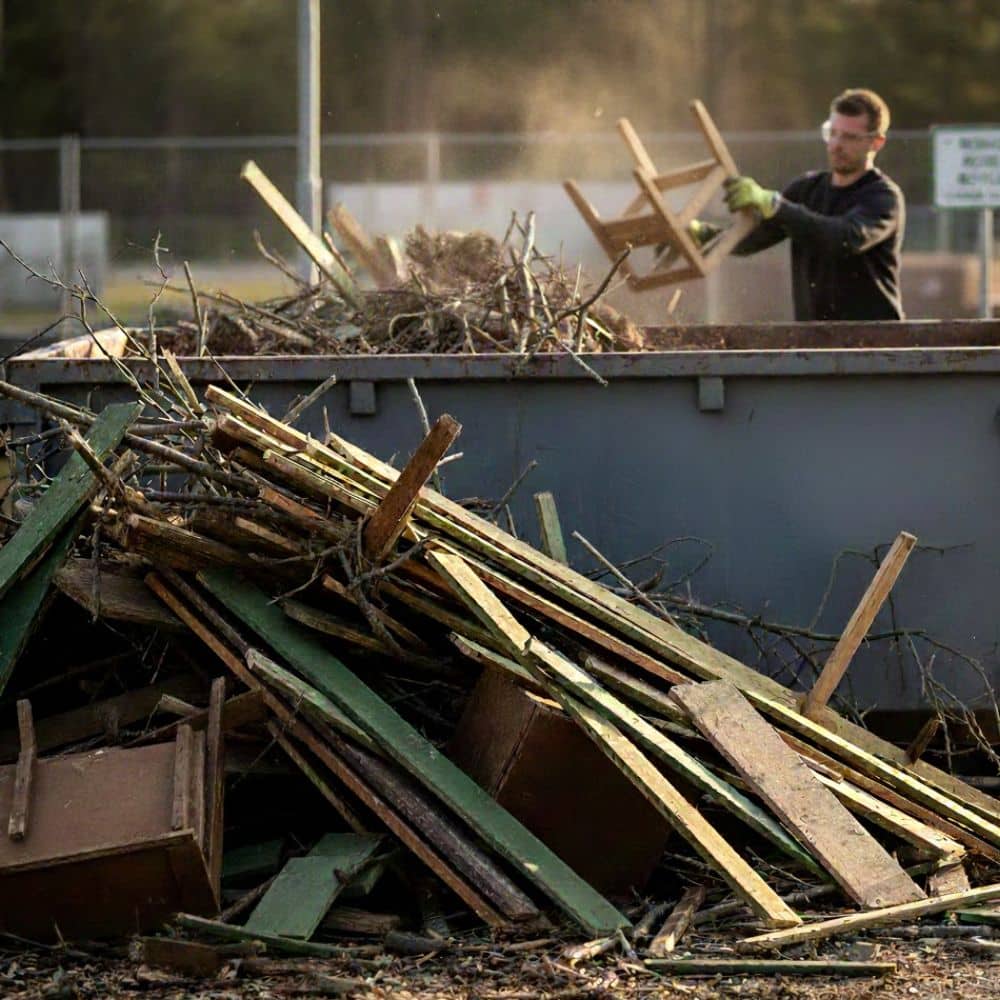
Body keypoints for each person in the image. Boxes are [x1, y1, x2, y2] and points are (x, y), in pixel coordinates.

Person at [719, 88, 905, 321]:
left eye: (849, 137)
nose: (836, 145)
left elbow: (843, 238)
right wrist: (702, 237)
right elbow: (751, 240)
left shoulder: (883, 198)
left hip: (873, 345)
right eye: (832, 133)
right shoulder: (806, 189)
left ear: (876, 142)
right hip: (814, 341)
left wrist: (775, 205)